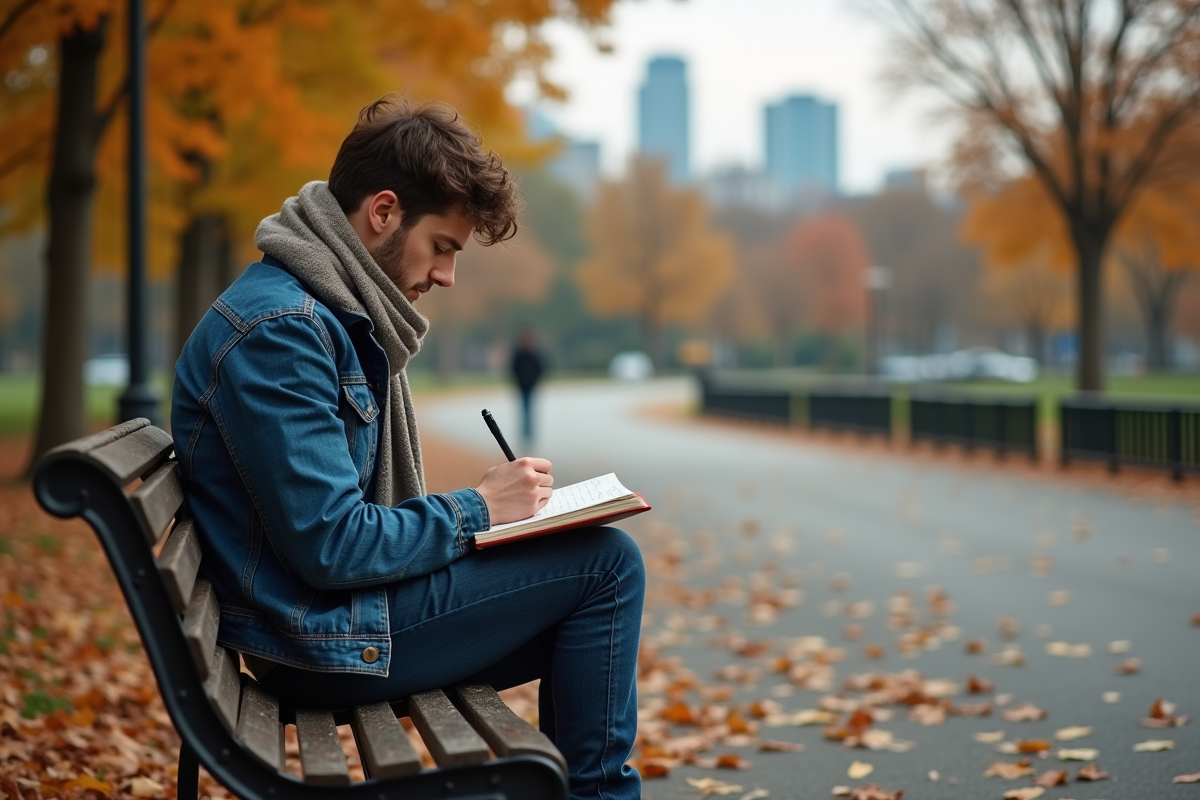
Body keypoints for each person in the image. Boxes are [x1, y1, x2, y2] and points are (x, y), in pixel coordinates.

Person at [171, 97, 644, 800]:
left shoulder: (324, 309)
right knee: (606, 569)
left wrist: (499, 518)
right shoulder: (282, 330)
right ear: (384, 212)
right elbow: (333, 544)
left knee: (587, 590)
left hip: (318, 618)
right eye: (444, 247)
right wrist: (479, 509)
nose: (447, 276)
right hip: (314, 641)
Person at [510, 328, 547, 443]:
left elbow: (541, 369)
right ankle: (525, 433)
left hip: (531, 386)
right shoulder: (519, 355)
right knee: (524, 410)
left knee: (530, 410)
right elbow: (513, 369)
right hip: (522, 386)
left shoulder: (534, 355)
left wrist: (535, 381)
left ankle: (529, 433)